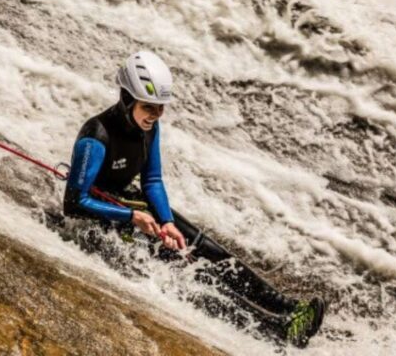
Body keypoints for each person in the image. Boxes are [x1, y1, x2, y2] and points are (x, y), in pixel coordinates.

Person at [63, 50, 325, 347]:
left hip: (132, 206)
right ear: (126, 99)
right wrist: (130, 217)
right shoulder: (95, 137)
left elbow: (151, 180)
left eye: (161, 108)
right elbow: (73, 203)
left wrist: (167, 221)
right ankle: (273, 330)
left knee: (207, 249)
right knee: (185, 271)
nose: (156, 115)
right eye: (150, 107)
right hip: (103, 220)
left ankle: (288, 308)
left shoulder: (150, 127)